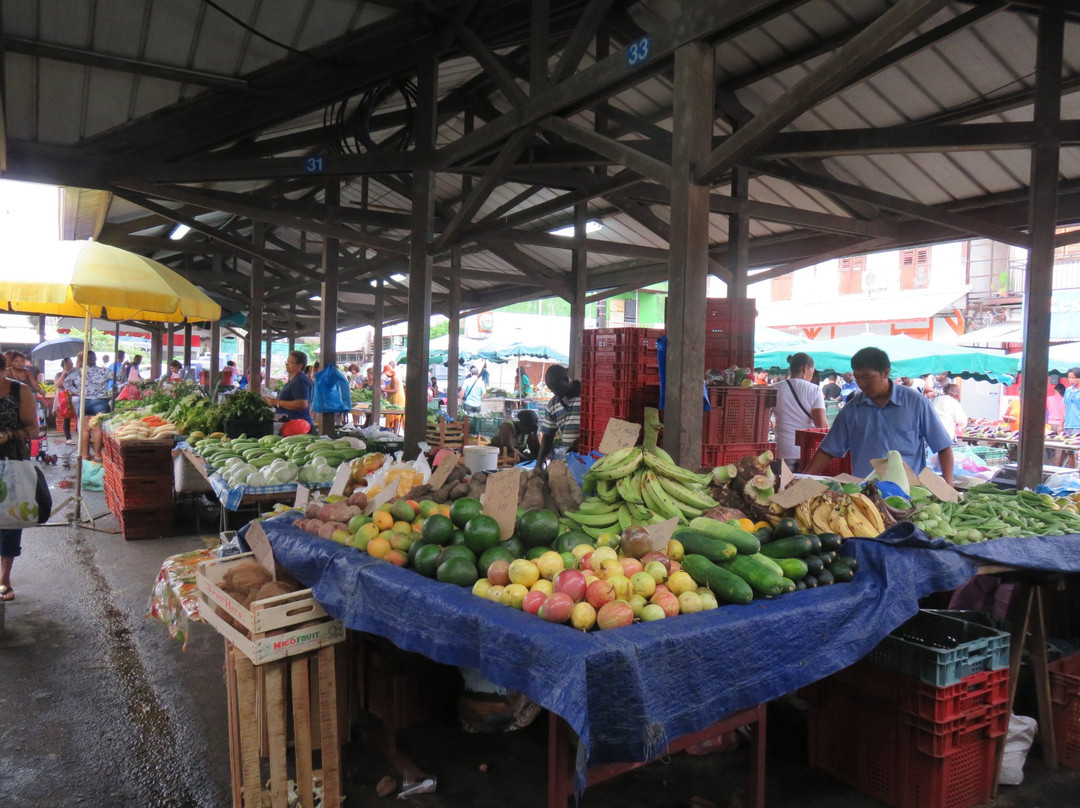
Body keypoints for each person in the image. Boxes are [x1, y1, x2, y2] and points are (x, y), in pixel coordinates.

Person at [804, 347, 954, 484]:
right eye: (858, 377)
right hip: (866, 495)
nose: (862, 383)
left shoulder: (916, 403)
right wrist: (803, 478)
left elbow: (943, 447)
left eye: (868, 377)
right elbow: (827, 450)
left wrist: (949, 484)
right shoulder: (851, 410)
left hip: (910, 495)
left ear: (886, 373)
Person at [0, 353, 42, 603]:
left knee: (8, 521)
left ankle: (4, 578)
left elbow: (34, 430)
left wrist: (8, 435)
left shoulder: (20, 392)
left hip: (11, 463)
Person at [771, 352, 829, 472]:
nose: (812, 374)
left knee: (781, 487)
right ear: (805, 368)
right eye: (812, 370)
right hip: (805, 450)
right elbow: (821, 425)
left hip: (781, 448)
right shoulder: (815, 390)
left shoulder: (773, 388)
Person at [62, 350, 112, 460]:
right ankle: (98, 455)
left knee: (85, 429)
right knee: (97, 429)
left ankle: (85, 454)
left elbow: (65, 383)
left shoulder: (77, 372)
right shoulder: (104, 371)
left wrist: (76, 391)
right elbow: (119, 378)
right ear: (95, 359)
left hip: (84, 402)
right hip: (100, 402)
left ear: (82, 360)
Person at [535, 365, 581, 466]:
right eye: (553, 390)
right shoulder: (553, 404)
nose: (556, 393)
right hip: (570, 461)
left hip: (589, 457)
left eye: (559, 388)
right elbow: (547, 437)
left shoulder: (585, 395)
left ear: (566, 379)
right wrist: (538, 465)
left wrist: (582, 441)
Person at [263, 350, 314, 427]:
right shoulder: (294, 379)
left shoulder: (300, 380)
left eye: (290, 362)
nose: (286, 364)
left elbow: (302, 404)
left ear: (299, 366)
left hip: (300, 426)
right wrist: (272, 402)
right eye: (287, 361)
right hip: (291, 424)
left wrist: (277, 402)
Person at [54, 357, 77, 445]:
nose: (70, 365)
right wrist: (64, 374)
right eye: (68, 363)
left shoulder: (75, 373)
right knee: (66, 417)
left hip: (74, 396)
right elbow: (58, 385)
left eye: (71, 363)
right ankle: (68, 438)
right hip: (65, 398)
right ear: (63, 365)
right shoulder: (59, 374)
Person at [382, 364, 405, 432]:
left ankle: (394, 431)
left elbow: (395, 390)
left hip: (397, 398)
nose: (386, 375)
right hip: (394, 398)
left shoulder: (395, 378)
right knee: (394, 416)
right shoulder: (393, 378)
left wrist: (384, 390)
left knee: (395, 415)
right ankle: (393, 431)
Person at [1063, 368, 1080, 436]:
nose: (1071, 380)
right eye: (1069, 377)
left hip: (1078, 426)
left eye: (1073, 378)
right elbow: (1065, 407)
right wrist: (1061, 424)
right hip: (1067, 425)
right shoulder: (1068, 390)